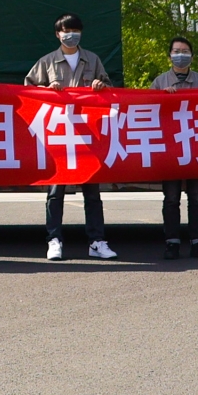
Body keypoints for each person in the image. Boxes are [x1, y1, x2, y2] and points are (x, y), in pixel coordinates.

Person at [25, 14, 118, 262]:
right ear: (58, 34)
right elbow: (28, 90)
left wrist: (100, 84)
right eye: (66, 31)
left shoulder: (92, 60)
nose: (71, 35)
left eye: (75, 30)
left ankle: (97, 241)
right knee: (55, 193)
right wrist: (46, 90)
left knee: (92, 192)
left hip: (88, 136)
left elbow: (109, 88)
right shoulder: (47, 62)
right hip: (58, 138)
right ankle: (54, 240)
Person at [152, 36, 198, 259]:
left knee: (197, 197)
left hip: (196, 147)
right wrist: (162, 98)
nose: (181, 55)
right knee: (171, 198)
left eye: (185, 51)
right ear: (169, 56)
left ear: (192, 56)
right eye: (176, 51)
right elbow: (147, 111)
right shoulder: (160, 82)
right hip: (170, 149)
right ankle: (172, 243)